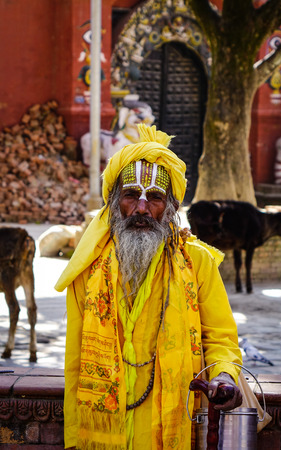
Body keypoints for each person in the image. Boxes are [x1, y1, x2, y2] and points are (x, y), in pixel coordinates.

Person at [55, 124, 243, 450]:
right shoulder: (88, 269)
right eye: (131, 196)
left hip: (172, 424)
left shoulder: (197, 261)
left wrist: (224, 375)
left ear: (170, 207)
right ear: (114, 202)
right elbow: (74, 362)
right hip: (104, 429)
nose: (141, 209)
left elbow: (222, 338)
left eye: (154, 198)